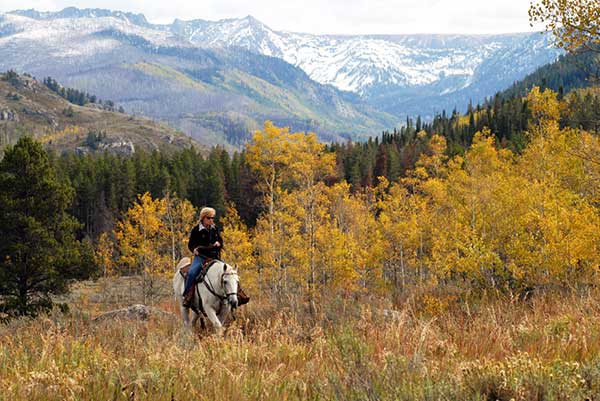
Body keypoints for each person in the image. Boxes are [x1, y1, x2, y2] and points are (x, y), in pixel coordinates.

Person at [182, 207, 223, 307]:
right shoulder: (196, 230)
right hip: (201, 257)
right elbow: (190, 244)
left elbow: (221, 241)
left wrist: (219, 243)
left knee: (229, 273)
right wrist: (194, 250)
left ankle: (235, 296)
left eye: (213, 218)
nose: (211, 220)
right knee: (191, 273)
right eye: (209, 218)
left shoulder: (215, 229)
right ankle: (188, 295)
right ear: (203, 218)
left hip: (214, 257)